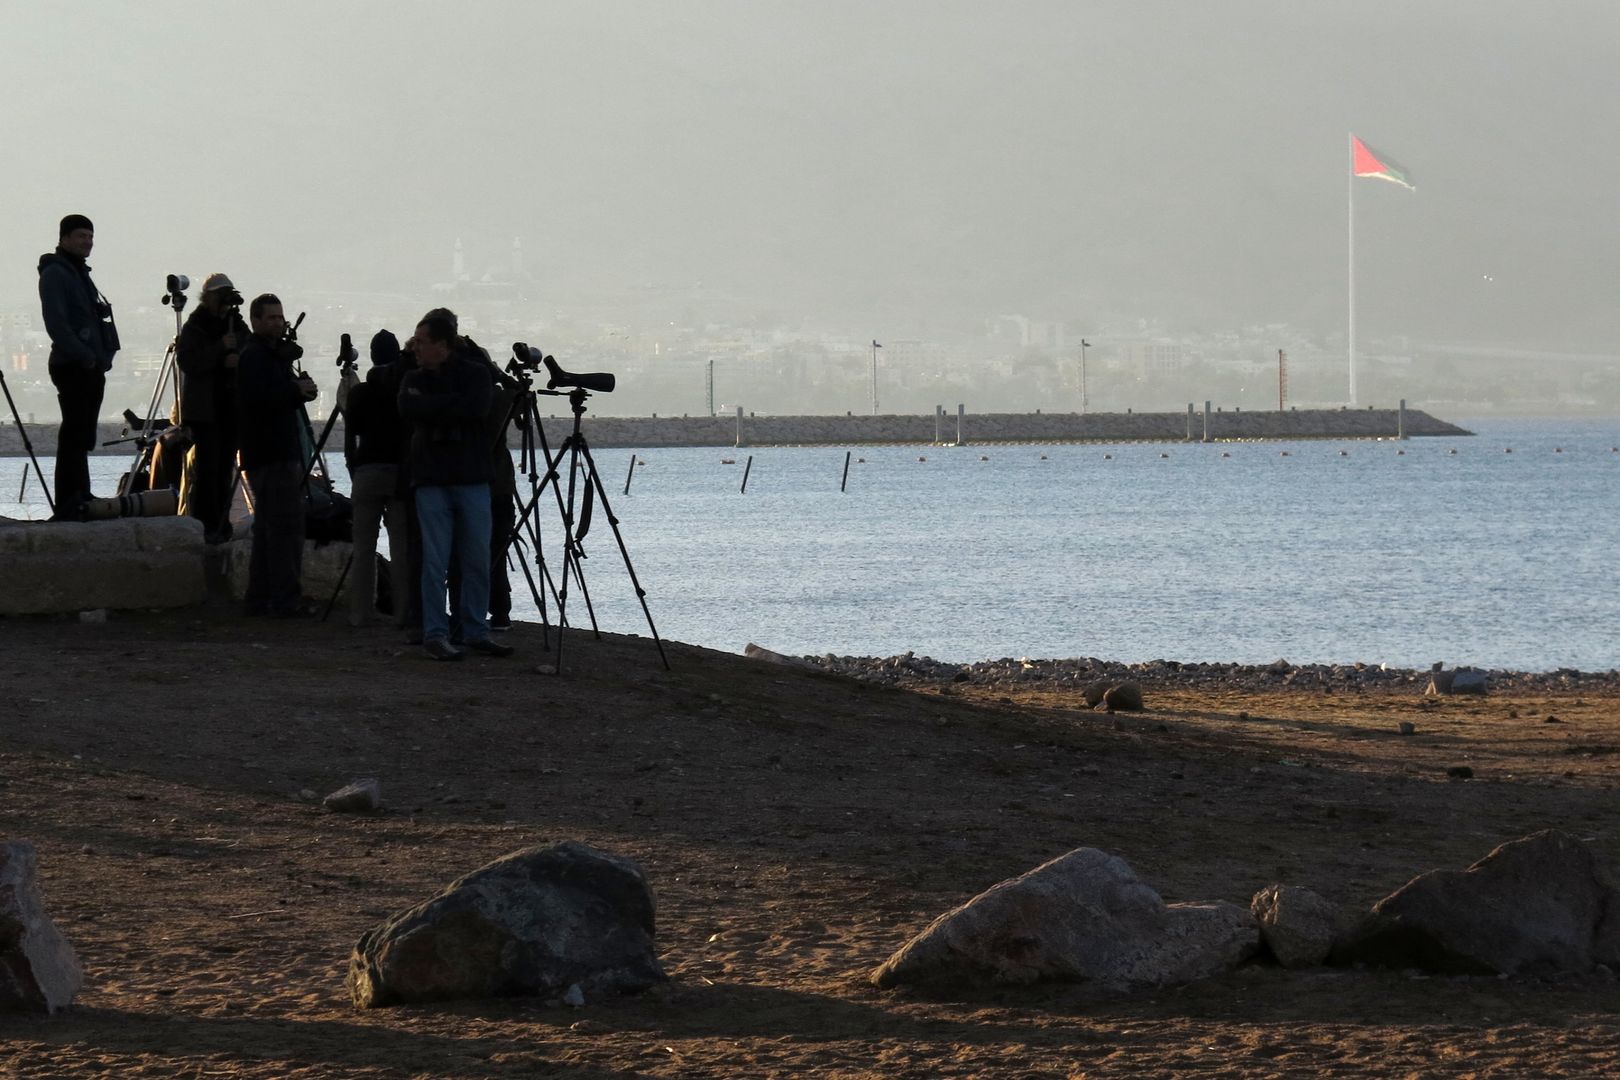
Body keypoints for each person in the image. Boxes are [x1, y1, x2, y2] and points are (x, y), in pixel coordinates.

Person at [398, 314, 512, 660]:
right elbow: (408, 407)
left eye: (421, 341)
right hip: (436, 480)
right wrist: (453, 407)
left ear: (442, 345)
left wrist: (432, 408)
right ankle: (438, 632)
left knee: (476, 558)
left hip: (468, 479)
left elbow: (476, 408)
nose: (415, 348)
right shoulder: (414, 378)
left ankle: (473, 629)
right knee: (436, 560)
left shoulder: (474, 375)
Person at [423, 307, 520, 631]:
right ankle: (493, 614)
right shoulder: (495, 394)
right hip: (490, 479)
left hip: (472, 476)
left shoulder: (463, 388)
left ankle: (461, 617)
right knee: (490, 551)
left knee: (461, 555)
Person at [236, 294, 317, 617]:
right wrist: (294, 391)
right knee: (285, 528)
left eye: (279, 317)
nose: (278, 323)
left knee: (271, 529)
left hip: (273, 452)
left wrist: (297, 393)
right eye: (271, 318)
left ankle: (261, 598)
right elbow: (258, 402)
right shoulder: (255, 357)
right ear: (255, 321)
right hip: (271, 454)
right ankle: (285, 600)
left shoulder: (269, 357)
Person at [37, 214, 119, 519]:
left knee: (83, 434)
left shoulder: (78, 273)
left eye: (90, 236)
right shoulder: (56, 274)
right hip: (72, 365)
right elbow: (56, 323)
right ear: (65, 238)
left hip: (90, 365)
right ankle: (68, 500)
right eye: (82, 236)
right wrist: (84, 356)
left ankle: (81, 493)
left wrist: (101, 357)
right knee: (73, 432)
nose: (88, 242)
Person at [342, 330, 409, 626]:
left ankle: (360, 612)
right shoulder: (403, 388)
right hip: (398, 472)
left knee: (364, 547)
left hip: (366, 471)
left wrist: (352, 465)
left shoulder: (359, 393)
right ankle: (404, 613)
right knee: (401, 547)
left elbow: (351, 432)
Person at [176, 273, 249, 542]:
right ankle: (205, 525)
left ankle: (222, 524)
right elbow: (188, 361)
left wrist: (237, 357)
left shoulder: (236, 324)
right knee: (208, 470)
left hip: (230, 408)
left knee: (224, 470)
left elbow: (249, 350)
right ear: (208, 298)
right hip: (206, 411)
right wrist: (220, 351)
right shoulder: (196, 326)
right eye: (221, 296)